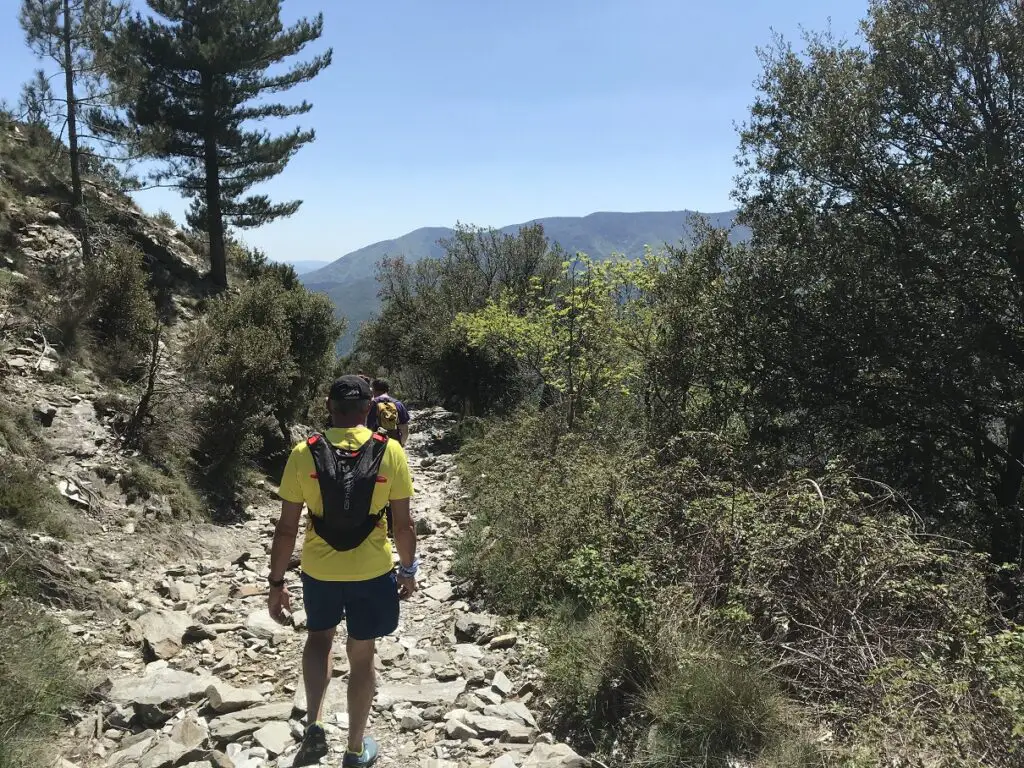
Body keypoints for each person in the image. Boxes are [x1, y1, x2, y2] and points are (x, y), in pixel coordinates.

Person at [267, 375, 419, 768]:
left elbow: (286, 528)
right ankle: (354, 749)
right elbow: (404, 525)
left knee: (319, 640)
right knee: (362, 654)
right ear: (369, 409)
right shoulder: (391, 452)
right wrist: (407, 569)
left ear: (329, 409)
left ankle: (315, 723)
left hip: (319, 568)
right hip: (371, 570)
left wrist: (277, 582)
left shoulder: (304, 452)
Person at [365, 379, 410, 447]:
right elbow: (405, 429)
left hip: (377, 444)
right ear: (388, 389)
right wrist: (401, 444)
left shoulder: (373, 404)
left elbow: (369, 428)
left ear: (374, 390)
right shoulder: (398, 404)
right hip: (394, 444)